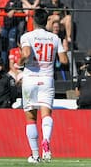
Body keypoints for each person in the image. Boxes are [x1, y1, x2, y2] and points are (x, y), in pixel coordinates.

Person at [17, 9, 68, 163]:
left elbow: (25, 54)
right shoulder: (54, 38)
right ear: (47, 22)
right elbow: (64, 60)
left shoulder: (27, 36)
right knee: (46, 114)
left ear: (33, 21)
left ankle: (35, 155)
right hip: (47, 79)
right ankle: (46, 141)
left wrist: (19, 63)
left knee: (31, 118)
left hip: (30, 79)